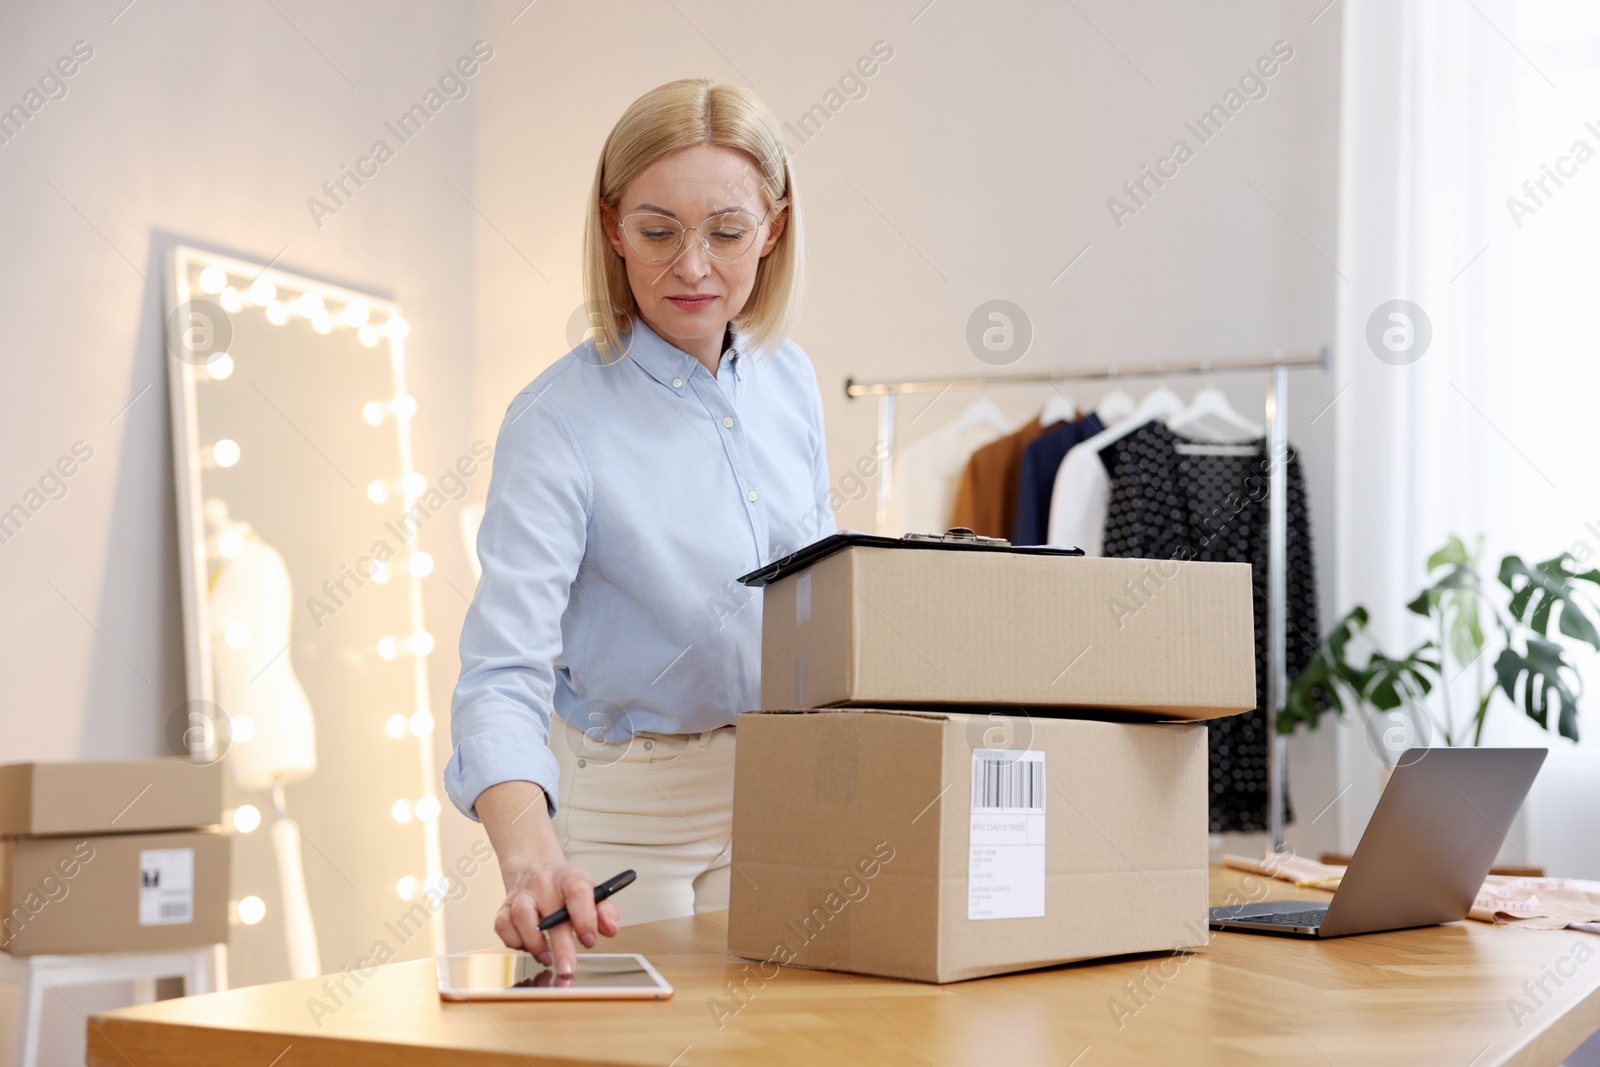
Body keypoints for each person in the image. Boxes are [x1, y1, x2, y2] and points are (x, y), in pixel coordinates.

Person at [444, 78, 833, 978]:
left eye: (727, 232)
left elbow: (821, 594)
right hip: (623, 807)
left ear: (772, 230)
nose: (692, 267)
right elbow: (501, 673)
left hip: (772, 791)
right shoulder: (557, 421)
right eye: (658, 232)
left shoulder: (790, 381)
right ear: (613, 226)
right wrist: (531, 856)